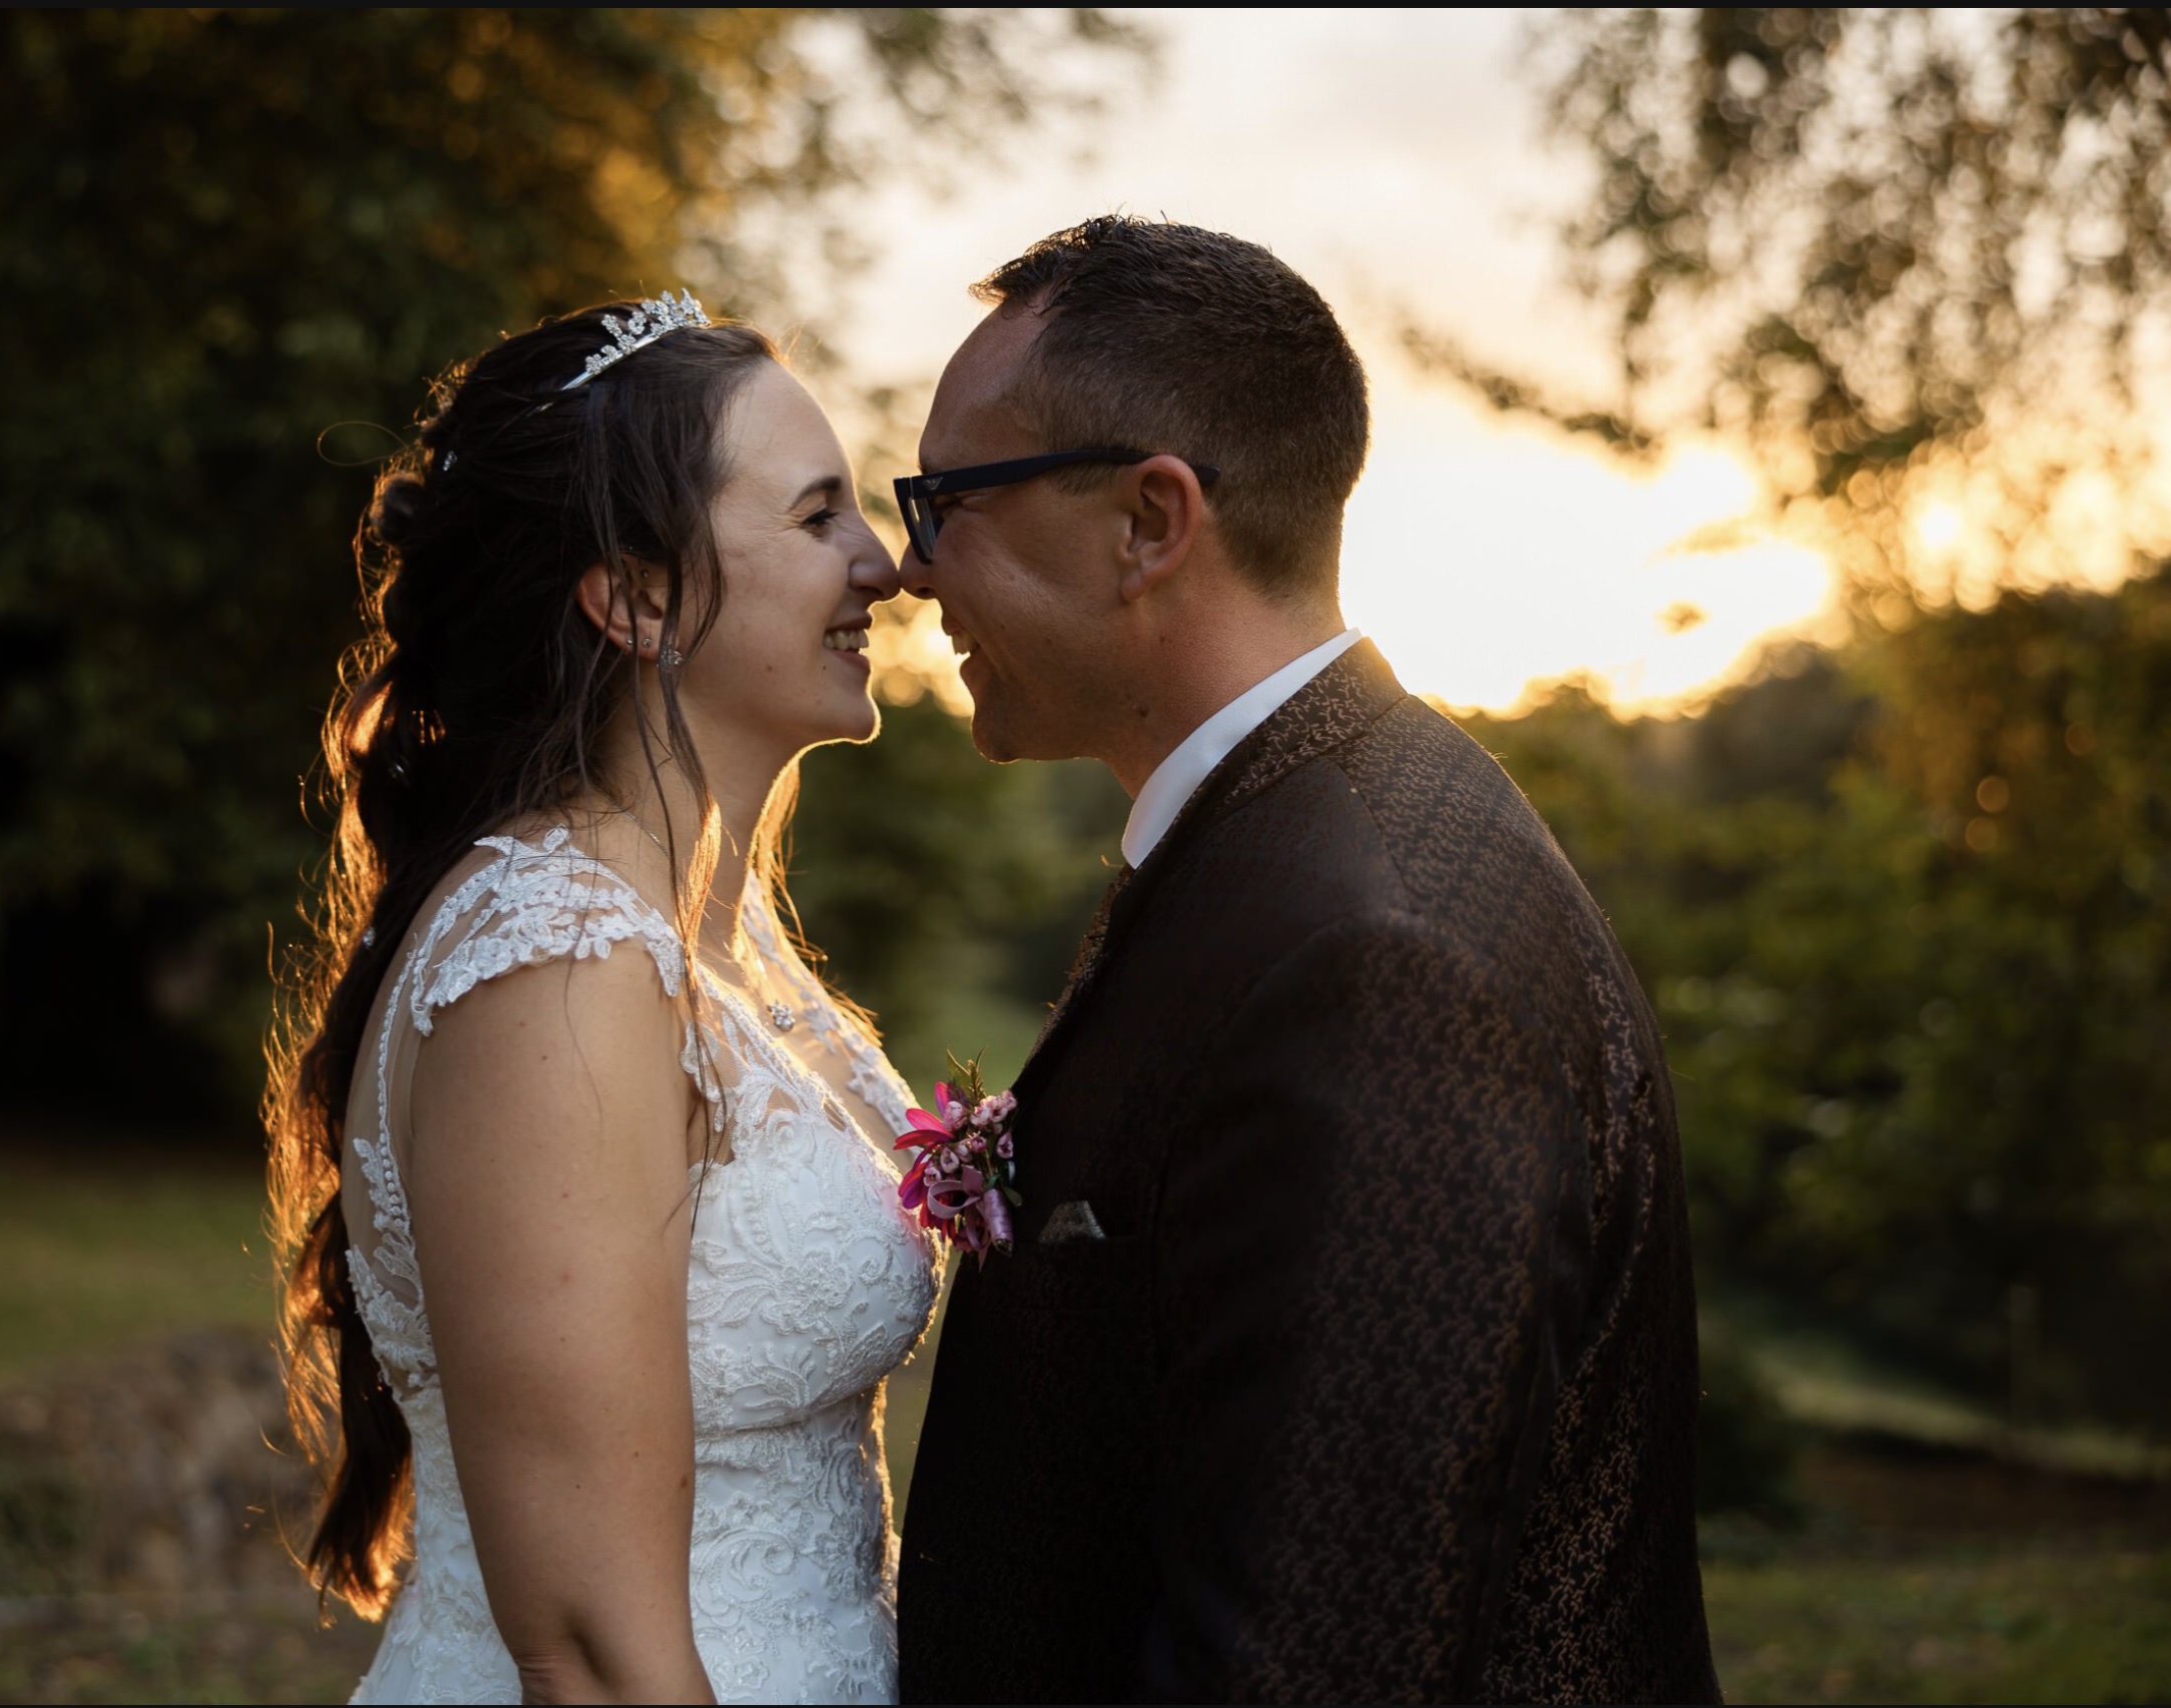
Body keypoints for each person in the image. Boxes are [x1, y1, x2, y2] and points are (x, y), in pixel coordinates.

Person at [893, 218, 1722, 1704]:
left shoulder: (1368, 956)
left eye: (945, 498)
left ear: (1150, 523)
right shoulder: (1289, 838)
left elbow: (1309, 1656)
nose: (907, 564)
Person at [265, 294, 939, 1704]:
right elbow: (585, 1646)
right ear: (633, 596)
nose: (881, 563)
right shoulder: (558, 967)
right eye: (817, 517)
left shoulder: (716, 938)